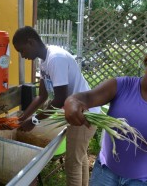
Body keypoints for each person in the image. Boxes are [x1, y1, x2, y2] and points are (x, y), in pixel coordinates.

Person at [63, 43, 147, 185]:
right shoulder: (120, 86)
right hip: (105, 173)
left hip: (145, 181)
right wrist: (72, 100)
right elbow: (87, 98)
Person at [12, 26, 100, 186]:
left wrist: (34, 121)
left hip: (84, 115)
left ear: (30, 42)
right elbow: (42, 96)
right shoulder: (44, 61)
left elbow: (60, 99)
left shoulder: (55, 59)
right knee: (79, 158)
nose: (22, 55)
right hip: (77, 112)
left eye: (21, 50)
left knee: (73, 163)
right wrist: (23, 117)